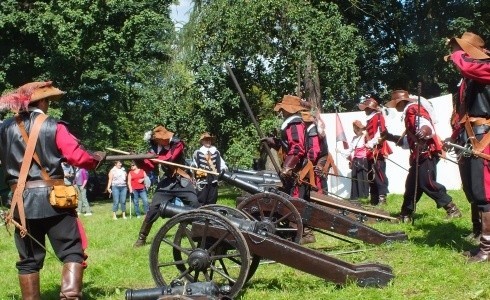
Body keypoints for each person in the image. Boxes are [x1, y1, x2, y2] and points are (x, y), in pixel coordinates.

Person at [0, 81, 105, 299]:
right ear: (42, 102)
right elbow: (77, 157)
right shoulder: (53, 126)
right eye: (48, 100)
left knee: (28, 261)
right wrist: (95, 159)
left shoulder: (4, 128)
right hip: (54, 200)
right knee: (72, 252)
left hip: (20, 203)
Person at [381, 90, 462, 223]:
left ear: (401, 102)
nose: (395, 107)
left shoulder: (412, 109)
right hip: (418, 155)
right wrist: (389, 136)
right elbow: (408, 141)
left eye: (396, 104)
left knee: (427, 183)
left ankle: (452, 209)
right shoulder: (408, 113)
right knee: (412, 185)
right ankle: (405, 215)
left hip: (426, 153)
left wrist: (424, 131)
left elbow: (426, 125)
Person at [446, 32, 490, 262]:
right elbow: (464, 114)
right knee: (474, 192)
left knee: (485, 196)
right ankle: (481, 240)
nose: (454, 52)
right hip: (471, 137)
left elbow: (468, 67)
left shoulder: (485, 67)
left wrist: (457, 54)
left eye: (459, 48)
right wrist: (454, 136)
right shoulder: (469, 79)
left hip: (485, 139)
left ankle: (487, 249)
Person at [134, 125, 200, 247]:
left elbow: (170, 158)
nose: (160, 140)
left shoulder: (178, 143)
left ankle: (196, 231)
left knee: (194, 203)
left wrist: (154, 158)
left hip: (182, 180)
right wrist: (140, 160)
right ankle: (142, 238)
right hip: (167, 181)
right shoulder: (154, 149)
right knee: (153, 208)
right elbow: (149, 167)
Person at [358, 95, 392, 205]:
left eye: (366, 108)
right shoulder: (370, 119)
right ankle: (374, 199)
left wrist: (372, 143)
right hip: (370, 151)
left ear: (371, 109)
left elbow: (381, 133)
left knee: (379, 173)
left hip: (377, 150)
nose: (365, 111)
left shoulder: (378, 117)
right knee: (371, 174)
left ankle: (382, 198)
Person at [192, 132, 228, 205]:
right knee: (201, 200)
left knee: (212, 200)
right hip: (202, 179)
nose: (208, 141)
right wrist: (194, 171)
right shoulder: (197, 153)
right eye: (206, 140)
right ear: (202, 141)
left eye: (209, 140)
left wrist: (223, 170)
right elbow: (194, 165)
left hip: (213, 180)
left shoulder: (216, 152)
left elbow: (222, 164)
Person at [338, 120, 370, 201]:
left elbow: (369, 147)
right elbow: (349, 151)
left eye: (360, 128)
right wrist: (340, 151)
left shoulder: (365, 137)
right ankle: (355, 197)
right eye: (357, 128)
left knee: (362, 178)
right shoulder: (354, 138)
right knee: (355, 178)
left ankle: (364, 196)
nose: (358, 130)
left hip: (363, 160)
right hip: (355, 161)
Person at [302, 111, 329, 194]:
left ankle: (322, 197)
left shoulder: (313, 130)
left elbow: (314, 150)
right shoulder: (311, 129)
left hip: (320, 157)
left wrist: (307, 162)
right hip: (320, 156)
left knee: (318, 174)